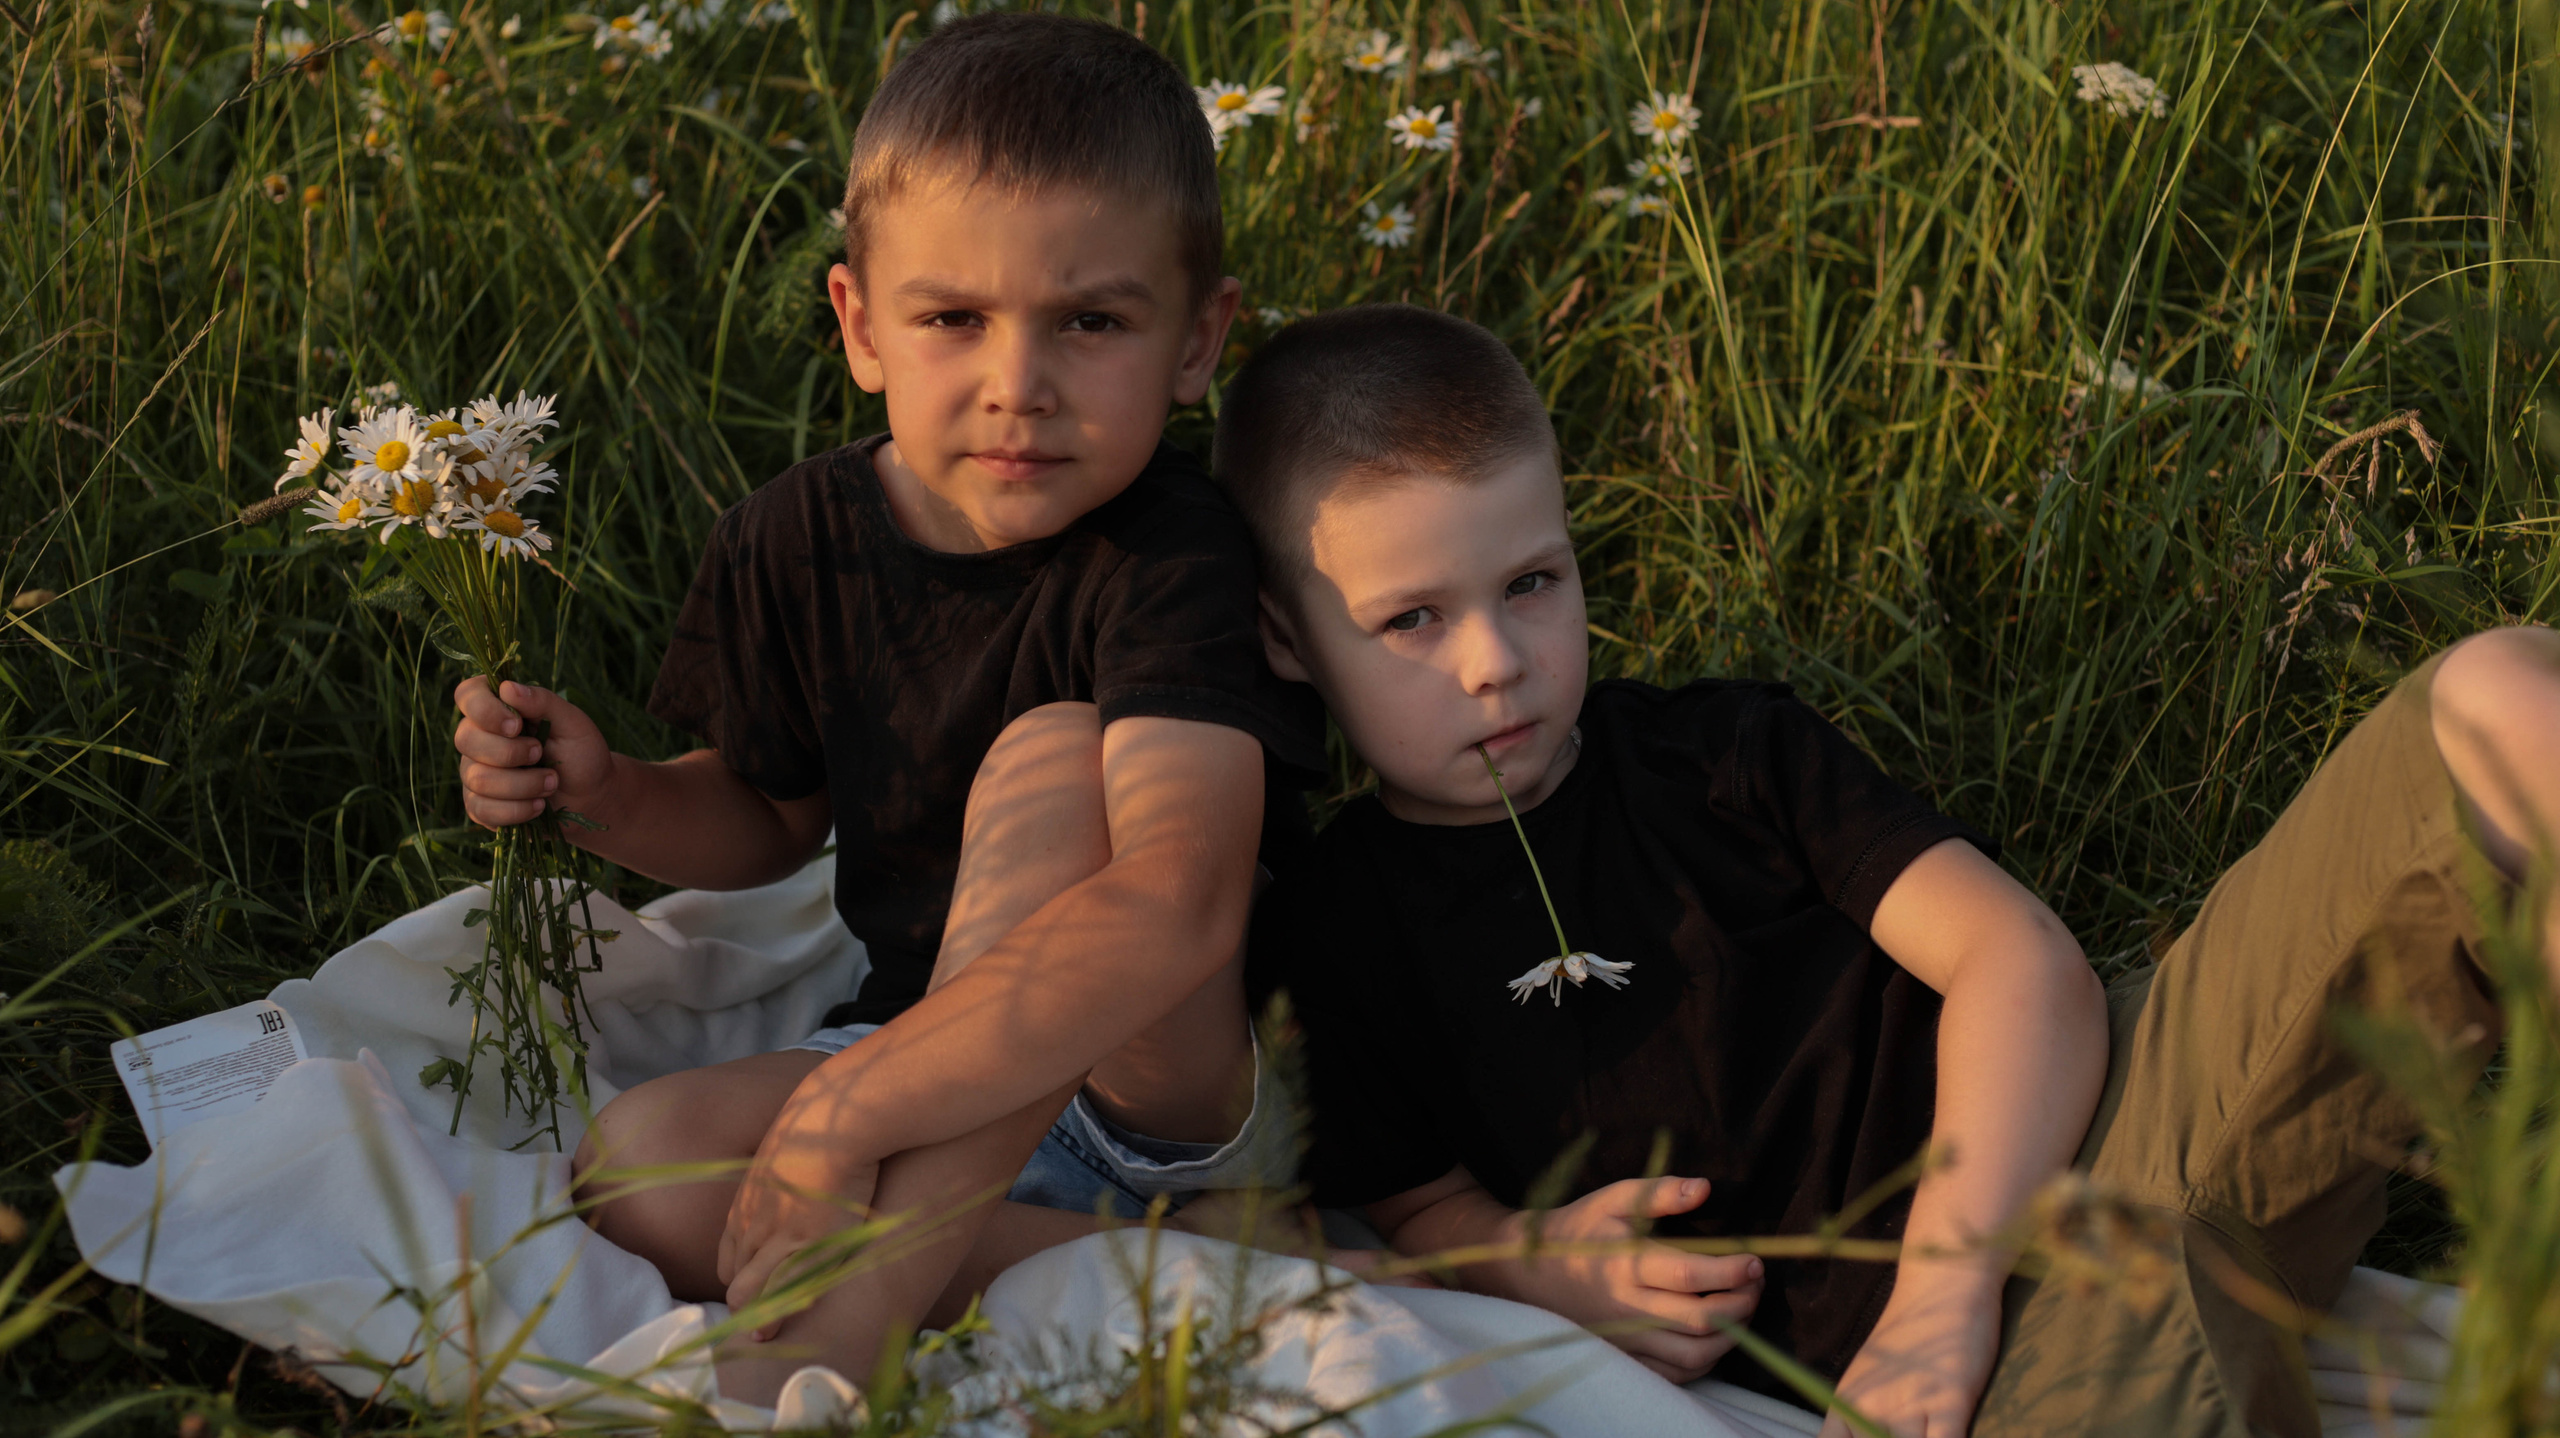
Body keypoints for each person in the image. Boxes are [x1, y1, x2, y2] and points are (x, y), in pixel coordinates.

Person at [1219, 302, 2560, 1437]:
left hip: (2089, 1149)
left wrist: (1942, 1292)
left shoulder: (1719, 755)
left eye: (1532, 583)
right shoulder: (1334, 932)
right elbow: (1410, 1207)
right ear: (1286, 639)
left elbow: (2017, 962)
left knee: (2503, 700)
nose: (1495, 662)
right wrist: (1535, 1271)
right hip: (2007, 1382)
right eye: (1411, 619)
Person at [448, 14, 1322, 1404]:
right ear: (861, 324)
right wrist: (607, 796)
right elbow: (768, 817)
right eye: (954, 318)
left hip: (1147, 1084)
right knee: (641, 1169)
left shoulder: (1174, 552)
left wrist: (856, 1105)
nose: (1018, 385)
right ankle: (1192, 1265)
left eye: (1091, 321)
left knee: (1055, 757)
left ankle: (828, 1344)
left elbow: (1181, 905)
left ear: (1195, 339)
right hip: (922, 1052)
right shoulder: (794, 538)